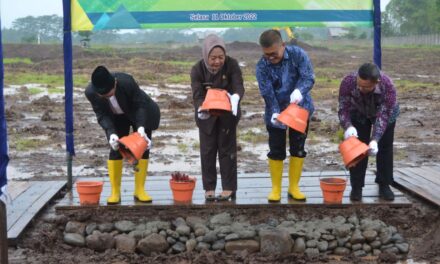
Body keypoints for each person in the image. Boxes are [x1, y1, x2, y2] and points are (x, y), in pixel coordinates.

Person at [85, 65, 160, 204]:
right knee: (115, 149)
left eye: (110, 93)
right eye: (104, 95)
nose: (107, 96)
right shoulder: (90, 92)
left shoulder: (127, 82)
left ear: (115, 82)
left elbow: (140, 105)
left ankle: (140, 190)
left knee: (142, 147)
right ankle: (115, 192)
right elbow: (102, 114)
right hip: (117, 117)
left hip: (139, 112)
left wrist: (141, 128)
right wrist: (111, 133)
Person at [256, 29, 315, 202]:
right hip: (276, 111)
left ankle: (293, 187)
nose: (270, 58)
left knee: (298, 147)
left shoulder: (298, 55)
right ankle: (276, 189)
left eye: (273, 54)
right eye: (266, 55)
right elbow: (266, 92)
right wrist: (275, 111)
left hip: (300, 108)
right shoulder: (262, 66)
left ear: (283, 45)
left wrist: (299, 91)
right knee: (276, 149)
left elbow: (309, 77)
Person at [190, 34, 245, 201]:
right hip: (206, 117)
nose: (217, 61)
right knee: (207, 151)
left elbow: (238, 85)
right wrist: (202, 108)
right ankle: (209, 187)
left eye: (221, 57)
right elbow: (197, 94)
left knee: (227, 151)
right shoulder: (197, 69)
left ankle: (229, 187)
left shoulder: (232, 65)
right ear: (206, 55)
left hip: (227, 115)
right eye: (213, 58)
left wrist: (236, 97)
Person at [338, 62, 399, 201]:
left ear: (376, 83)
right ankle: (356, 186)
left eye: (365, 87)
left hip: (385, 115)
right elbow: (343, 107)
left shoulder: (388, 86)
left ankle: (384, 184)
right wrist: (348, 126)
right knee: (358, 148)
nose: (360, 88)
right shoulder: (348, 82)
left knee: (384, 147)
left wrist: (375, 140)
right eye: (359, 84)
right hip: (358, 112)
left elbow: (383, 116)